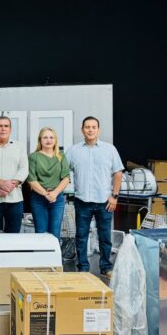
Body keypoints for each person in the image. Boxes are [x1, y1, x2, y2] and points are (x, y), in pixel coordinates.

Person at [66, 116, 123, 278]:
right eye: (87, 127)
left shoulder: (110, 149)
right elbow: (63, 172)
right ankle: (83, 268)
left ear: (98, 130)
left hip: (105, 201)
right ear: (82, 130)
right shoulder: (73, 151)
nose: (90, 130)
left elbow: (118, 173)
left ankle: (106, 268)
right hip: (82, 201)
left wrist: (115, 196)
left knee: (105, 237)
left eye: (93, 127)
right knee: (81, 236)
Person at [28, 127, 70, 239]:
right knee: (41, 233)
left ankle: (55, 252)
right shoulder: (33, 157)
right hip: (38, 199)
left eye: (51, 137)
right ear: (40, 140)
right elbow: (31, 180)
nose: (49, 140)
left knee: (55, 233)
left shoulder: (61, 157)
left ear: (55, 140)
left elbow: (66, 178)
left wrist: (54, 194)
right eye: (45, 137)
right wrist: (46, 194)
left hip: (57, 199)